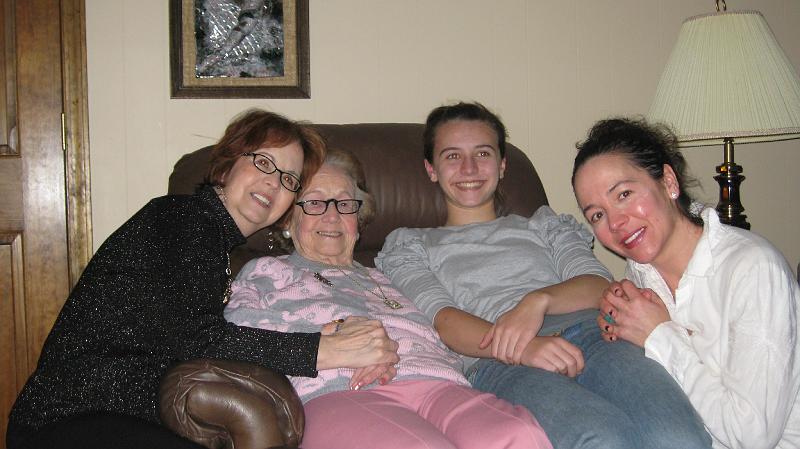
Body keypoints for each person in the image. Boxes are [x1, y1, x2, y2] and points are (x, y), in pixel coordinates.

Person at [6, 109, 399, 449]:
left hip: (118, 417)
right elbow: (196, 340)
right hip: (73, 418)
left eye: (288, 179)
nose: (273, 182)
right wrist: (324, 350)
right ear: (227, 166)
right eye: (263, 162)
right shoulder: (183, 219)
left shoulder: (211, 240)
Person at [376, 102, 711, 449]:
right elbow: (444, 321)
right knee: (603, 439)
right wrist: (525, 347)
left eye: (483, 153)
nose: (470, 167)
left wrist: (537, 302)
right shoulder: (411, 245)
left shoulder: (545, 224)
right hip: (503, 363)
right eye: (452, 157)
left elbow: (598, 285)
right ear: (431, 169)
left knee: (680, 438)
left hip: (597, 336)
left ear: (503, 164)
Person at [224, 148, 552, 449]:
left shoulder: (390, 275)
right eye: (313, 202)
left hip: (440, 385)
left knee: (518, 436)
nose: (331, 215)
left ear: (359, 217)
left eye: (344, 203)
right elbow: (236, 335)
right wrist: (337, 338)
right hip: (342, 391)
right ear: (287, 219)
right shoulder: (267, 271)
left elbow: (445, 329)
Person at [572, 117, 800, 449]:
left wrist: (658, 334)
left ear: (668, 182)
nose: (616, 223)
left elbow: (752, 435)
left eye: (623, 193)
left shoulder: (752, 269)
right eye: (597, 215)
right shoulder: (641, 274)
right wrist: (620, 327)